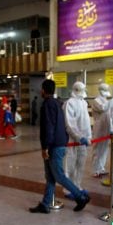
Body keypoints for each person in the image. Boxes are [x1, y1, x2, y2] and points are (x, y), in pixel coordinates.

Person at [30, 79, 90, 213]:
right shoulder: (58, 103)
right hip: (59, 143)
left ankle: (80, 197)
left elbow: (49, 127)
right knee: (50, 176)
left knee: (59, 176)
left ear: (43, 91)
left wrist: (45, 147)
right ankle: (45, 204)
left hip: (54, 146)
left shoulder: (47, 105)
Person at [64, 81, 92, 195]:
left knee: (80, 164)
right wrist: (78, 137)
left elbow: (86, 122)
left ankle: (77, 186)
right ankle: (68, 189)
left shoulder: (83, 103)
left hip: (83, 141)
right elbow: (70, 124)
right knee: (70, 165)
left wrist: (88, 136)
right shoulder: (69, 103)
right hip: (72, 141)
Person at [91, 83, 113, 178]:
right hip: (99, 128)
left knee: (104, 149)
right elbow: (103, 108)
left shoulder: (105, 100)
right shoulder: (96, 101)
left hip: (106, 127)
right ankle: (95, 170)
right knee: (97, 149)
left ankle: (101, 168)